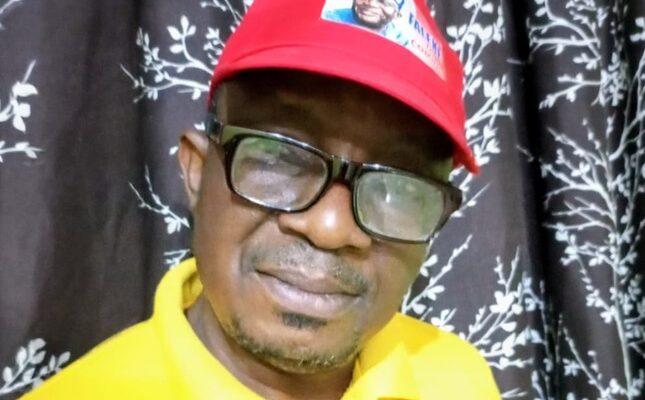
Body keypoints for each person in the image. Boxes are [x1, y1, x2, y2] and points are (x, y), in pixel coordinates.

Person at [24, 0, 498, 398]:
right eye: (280, 158)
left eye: (398, 186)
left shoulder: (456, 377)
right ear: (196, 171)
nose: (331, 228)